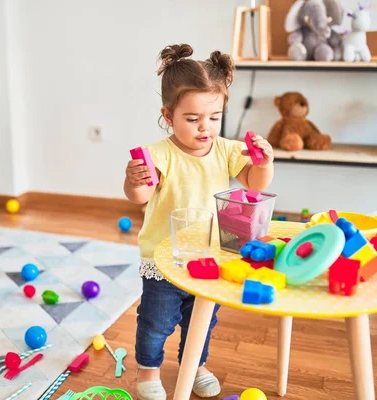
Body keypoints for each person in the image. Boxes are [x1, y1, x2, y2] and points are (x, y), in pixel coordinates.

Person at [123, 43, 274, 400]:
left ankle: (197, 364)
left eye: (214, 117)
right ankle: (148, 372)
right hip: (166, 258)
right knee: (156, 322)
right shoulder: (159, 154)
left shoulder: (226, 149)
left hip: (210, 254)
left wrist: (264, 162)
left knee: (202, 320)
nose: (205, 127)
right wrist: (134, 179)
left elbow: (254, 183)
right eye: (192, 119)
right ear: (168, 114)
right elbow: (139, 197)